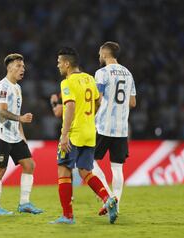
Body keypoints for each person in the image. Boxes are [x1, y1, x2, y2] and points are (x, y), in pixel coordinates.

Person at [50, 47, 118, 225]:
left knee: (63, 170)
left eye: (59, 63)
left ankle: (67, 216)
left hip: (74, 133)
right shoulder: (90, 78)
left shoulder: (67, 82)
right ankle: (107, 198)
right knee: (85, 171)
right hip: (90, 132)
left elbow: (70, 106)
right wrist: (87, 118)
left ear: (66, 63)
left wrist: (65, 134)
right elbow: (98, 102)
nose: (58, 66)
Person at [0, 53, 43, 216]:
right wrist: (20, 118)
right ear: (9, 67)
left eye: (23, 66)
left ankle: (24, 204)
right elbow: (2, 111)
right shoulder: (3, 86)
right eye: (19, 66)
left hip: (15, 135)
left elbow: (16, 113)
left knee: (29, 165)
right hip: (1, 134)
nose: (22, 69)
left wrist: (22, 134)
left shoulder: (17, 88)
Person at [92, 41, 136, 214]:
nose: (98, 56)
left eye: (99, 53)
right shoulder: (128, 73)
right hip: (121, 128)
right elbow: (132, 102)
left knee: (88, 162)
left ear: (104, 53)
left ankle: (109, 197)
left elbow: (97, 98)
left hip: (103, 125)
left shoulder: (101, 73)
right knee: (117, 167)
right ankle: (116, 204)